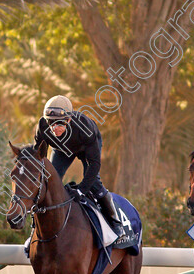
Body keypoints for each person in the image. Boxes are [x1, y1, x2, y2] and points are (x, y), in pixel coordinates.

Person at [33, 95, 126, 239]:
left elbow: (95, 164)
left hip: (85, 148)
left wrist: (82, 190)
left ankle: (116, 223)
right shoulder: (42, 126)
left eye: (59, 123)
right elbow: (38, 157)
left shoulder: (86, 129)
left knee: (94, 184)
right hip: (61, 149)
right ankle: (37, 224)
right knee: (48, 179)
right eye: (50, 122)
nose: (54, 128)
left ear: (68, 120)